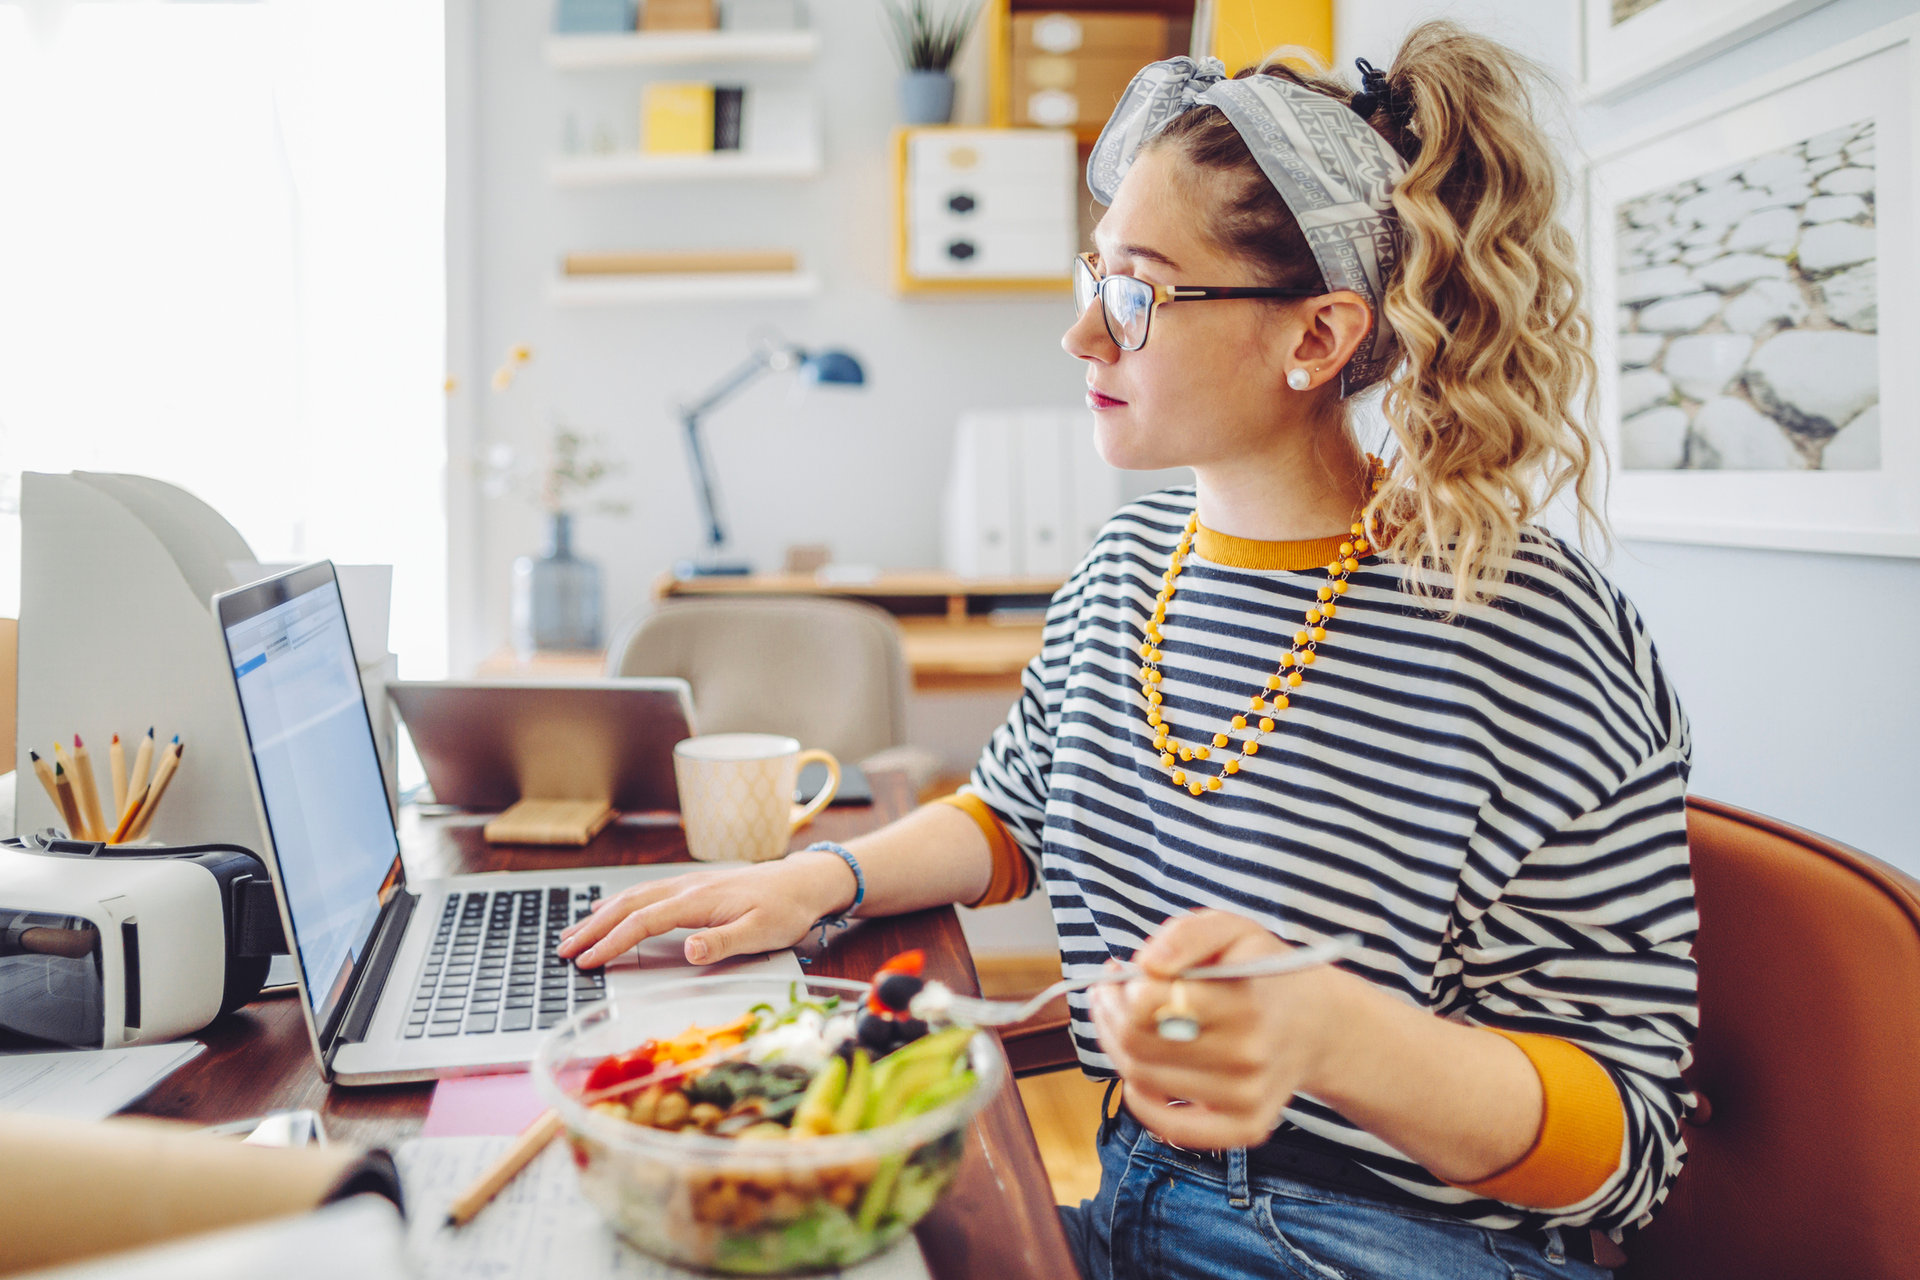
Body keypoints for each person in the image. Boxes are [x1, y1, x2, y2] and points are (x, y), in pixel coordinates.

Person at [559, 22, 1695, 1280]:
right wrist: (820, 878)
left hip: (1397, 1243)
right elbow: (1016, 808)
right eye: (1092, 275)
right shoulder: (1129, 565)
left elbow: (1628, 1144)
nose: (1085, 335)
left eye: (1140, 292)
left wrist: (1332, 1036)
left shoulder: (1528, 625)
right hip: (1139, 1201)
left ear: (1314, 338)